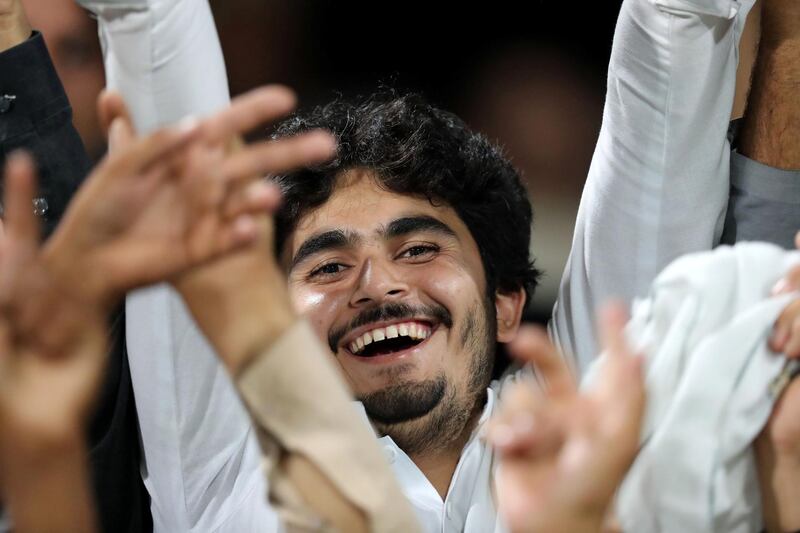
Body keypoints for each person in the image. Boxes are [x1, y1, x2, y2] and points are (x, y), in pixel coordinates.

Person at [75, 0, 800, 530]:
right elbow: (151, 19)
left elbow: (672, 44)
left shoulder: (591, 433)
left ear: (508, 302)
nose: (377, 285)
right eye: (327, 267)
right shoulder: (223, 470)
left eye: (419, 249)